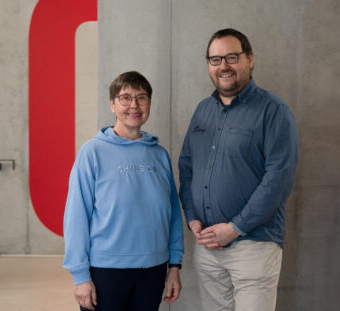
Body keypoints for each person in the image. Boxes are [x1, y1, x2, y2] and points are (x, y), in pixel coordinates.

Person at [178, 28, 299, 311]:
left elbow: (278, 179)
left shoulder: (273, 111)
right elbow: (186, 166)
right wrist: (193, 217)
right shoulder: (202, 110)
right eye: (215, 59)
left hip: (254, 244)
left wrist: (235, 228)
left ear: (250, 59)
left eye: (232, 57)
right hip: (207, 246)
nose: (224, 66)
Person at [63, 71, 184, 311]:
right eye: (125, 98)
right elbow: (76, 216)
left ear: (149, 103)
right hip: (105, 271)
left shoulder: (159, 155)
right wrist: (80, 276)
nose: (134, 105)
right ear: (112, 103)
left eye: (142, 97)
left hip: (154, 269)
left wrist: (175, 266)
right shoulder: (92, 152)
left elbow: (172, 214)